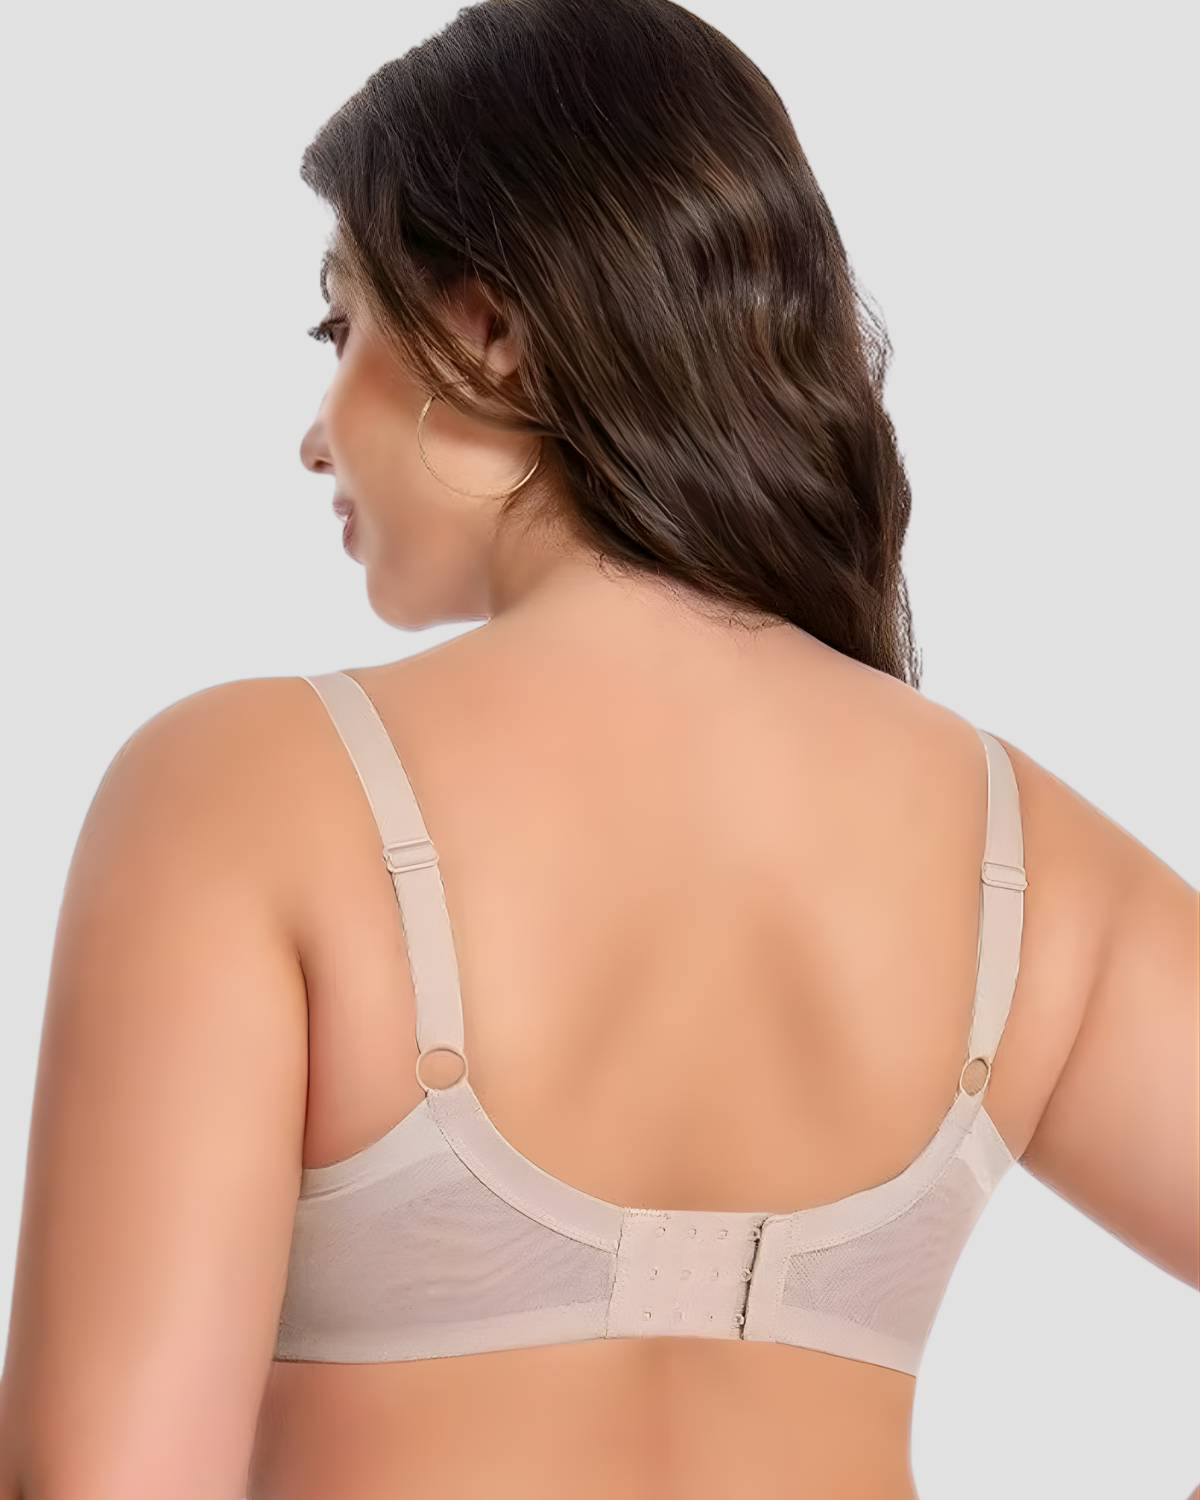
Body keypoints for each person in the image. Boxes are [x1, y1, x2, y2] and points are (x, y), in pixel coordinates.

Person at [0, 0, 1195, 1496]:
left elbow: (103, 1480)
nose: (314, 433)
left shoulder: (243, 790)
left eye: (341, 327)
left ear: (490, 331)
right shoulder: (1025, 856)